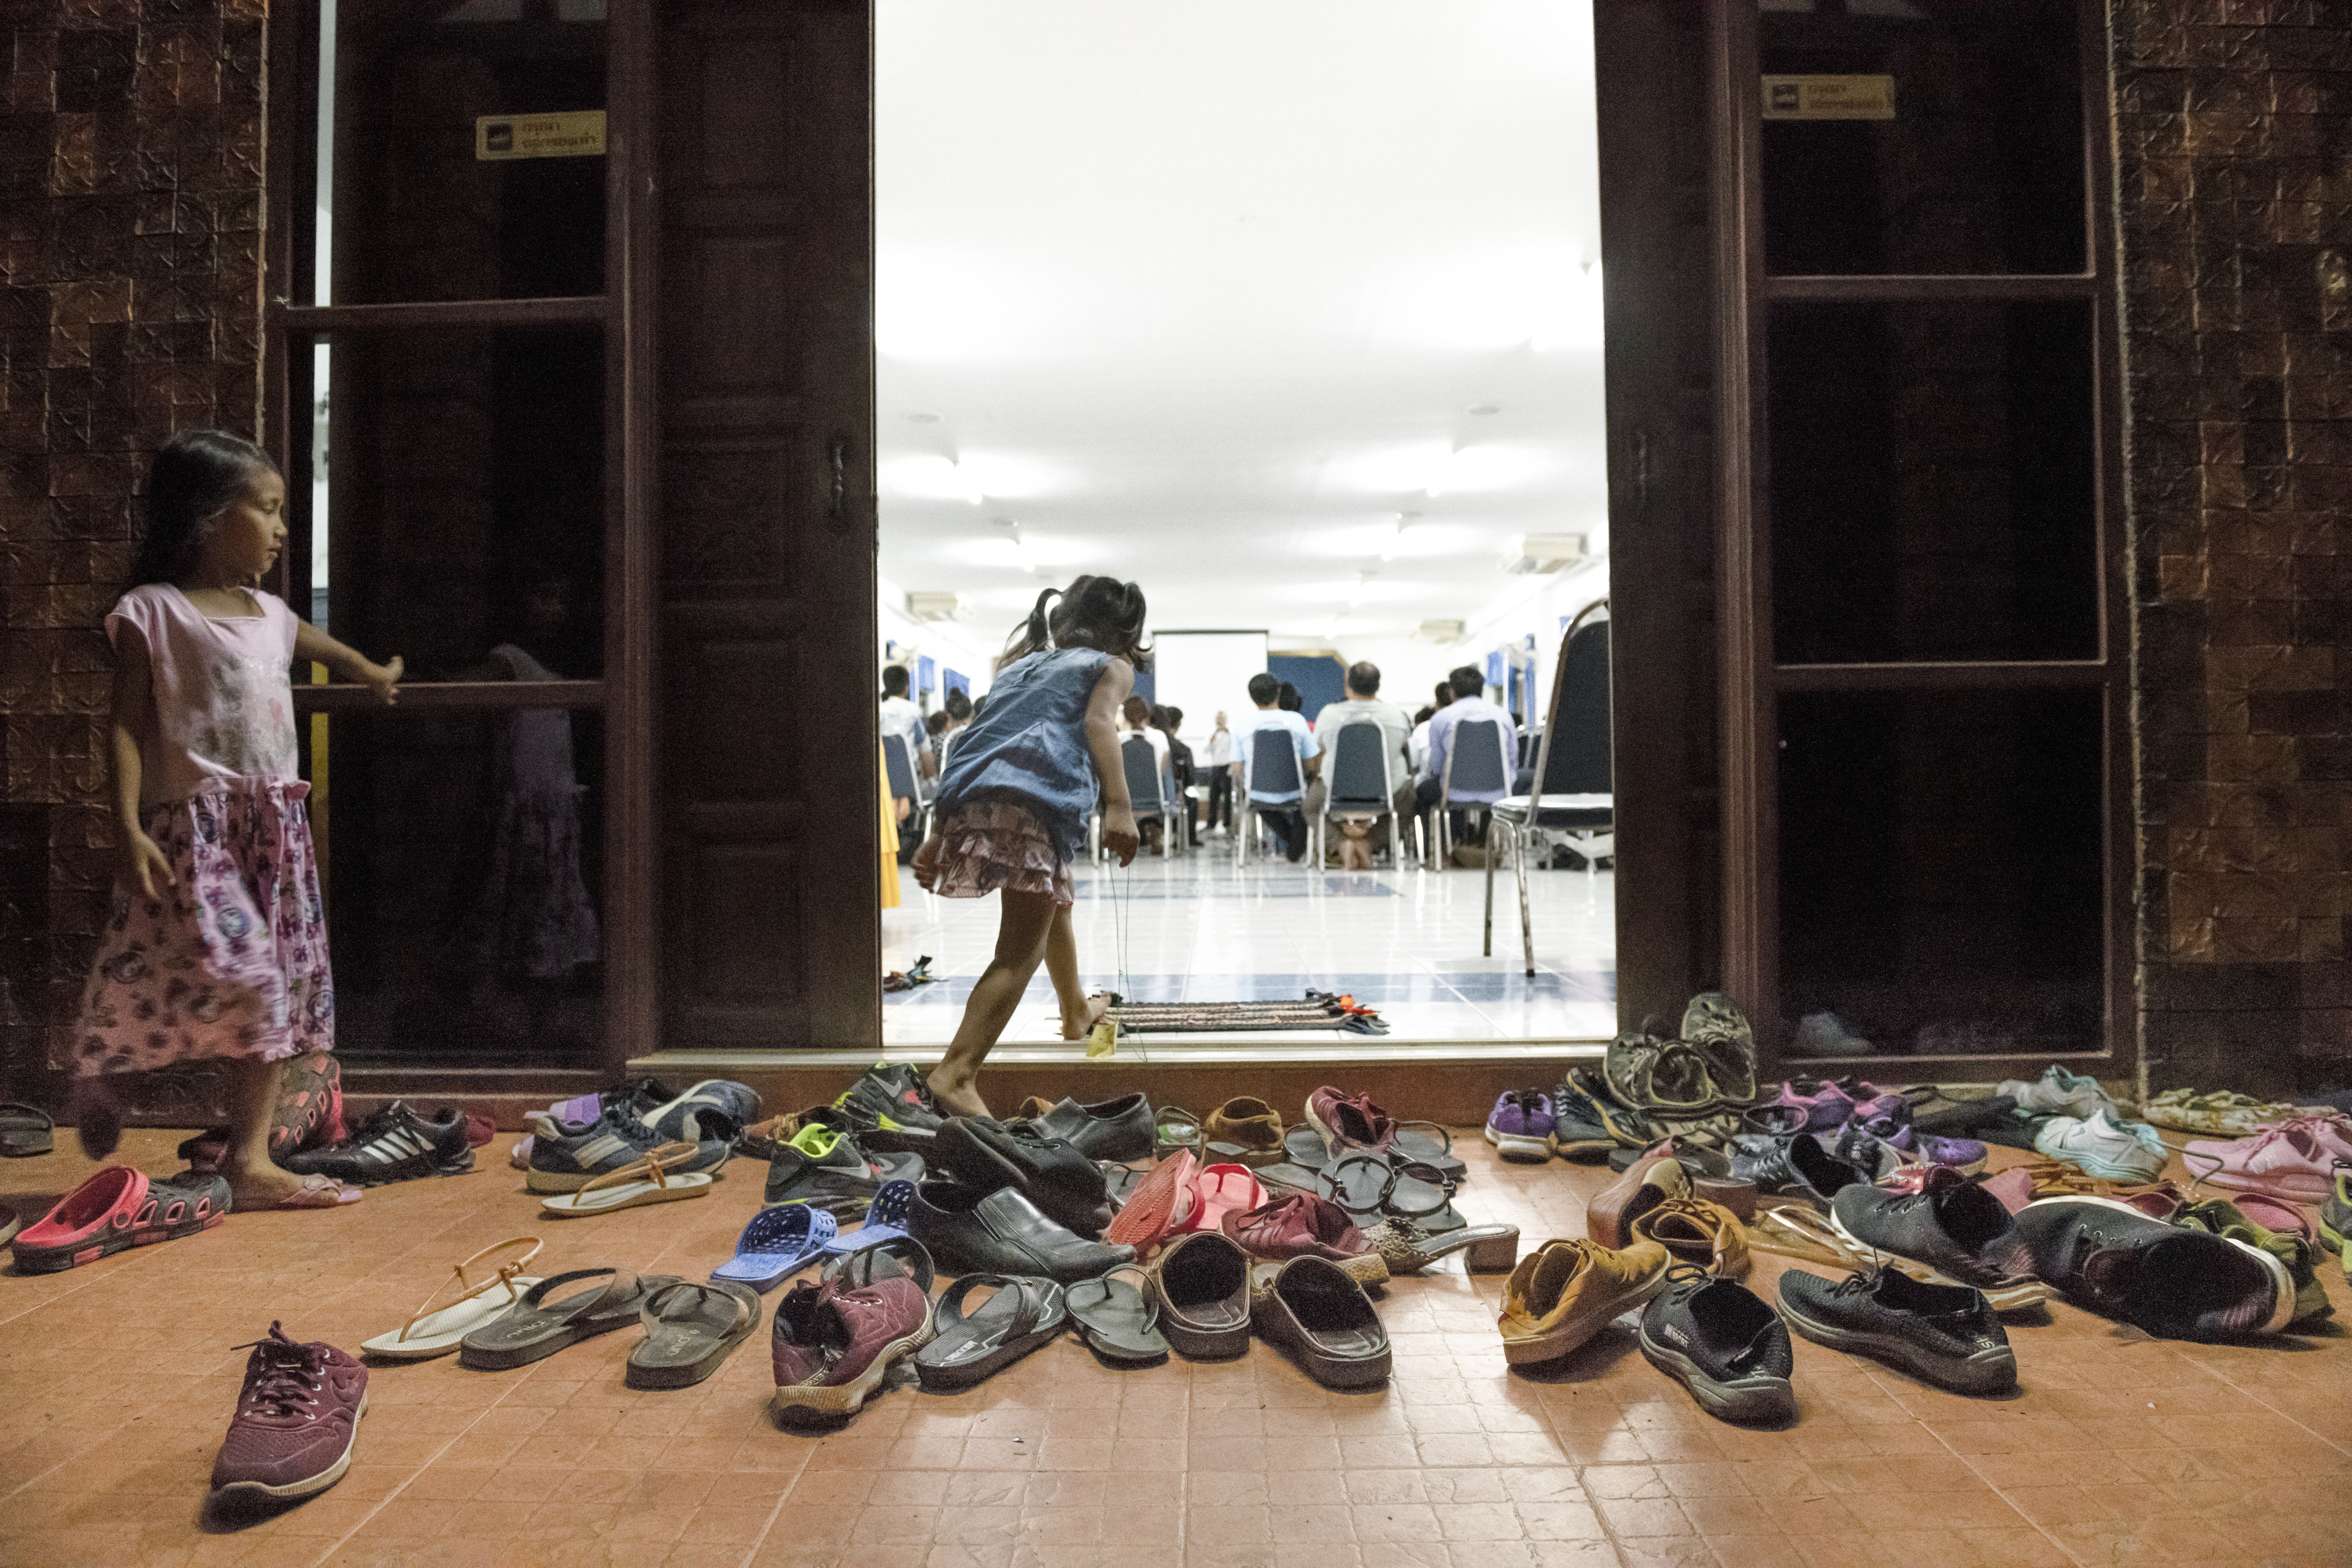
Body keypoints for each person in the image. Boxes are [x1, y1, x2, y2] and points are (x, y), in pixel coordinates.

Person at [71, 430, 404, 1210]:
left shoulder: (268, 612)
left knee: (214, 976)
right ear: (207, 518)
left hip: (275, 835)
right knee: (246, 981)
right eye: (269, 509)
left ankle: (224, 1146)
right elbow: (123, 726)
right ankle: (135, 1088)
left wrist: (368, 672)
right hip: (198, 833)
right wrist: (125, 824)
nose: (283, 528)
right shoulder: (151, 613)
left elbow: (317, 644)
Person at [913, 576, 1146, 1117]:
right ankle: (957, 1072)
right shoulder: (1110, 667)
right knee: (1018, 952)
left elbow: (971, 740)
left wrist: (938, 829)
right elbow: (1099, 723)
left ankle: (1075, 1012)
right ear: (1123, 634)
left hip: (976, 796)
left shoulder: (1016, 667)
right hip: (1033, 804)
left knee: (1051, 901)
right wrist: (1120, 805)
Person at [1303, 661, 1415, 864]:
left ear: (1348, 685)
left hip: (1336, 793)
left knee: (1311, 807)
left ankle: (1341, 845)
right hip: (1387, 792)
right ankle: (1369, 845)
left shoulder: (1329, 714)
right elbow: (1404, 748)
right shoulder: (1397, 716)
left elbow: (1318, 753)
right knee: (1408, 803)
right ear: (1378, 687)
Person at [1418, 662, 1520, 857]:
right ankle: (1498, 848)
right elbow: (1513, 759)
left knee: (1423, 792)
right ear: (1481, 690)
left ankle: (1438, 855)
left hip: (1454, 791)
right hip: (1499, 791)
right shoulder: (1503, 716)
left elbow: (1437, 766)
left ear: (1452, 692)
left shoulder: (1441, 718)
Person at [1236, 671, 1316, 861]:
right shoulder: (1297, 721)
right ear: (1278, 694)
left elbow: (1238, 770)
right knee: (1306, 803)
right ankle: (1298, 847)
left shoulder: (1243, 725)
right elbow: (1311, 764)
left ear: (1252, 697)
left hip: (1258, 793)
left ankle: (1295, 847)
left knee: (1262, 803)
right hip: (1295, 791)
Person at [878, 665, 932, 822]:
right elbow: (925, 750)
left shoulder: (879, 711)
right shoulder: (914, 712)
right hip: (910, 781)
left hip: (883, 780)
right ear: (906, 687)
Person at [1119, 694, 1170, 852]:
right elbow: (1161, 773)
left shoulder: (1118, 740)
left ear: (1126, 717)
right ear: (1147, 715)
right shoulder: (1160, 737)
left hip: (1124, 802)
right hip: (1154, 800)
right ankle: (1155, 833)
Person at [1156, 704, 1200, 846]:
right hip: (1174, 795)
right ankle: (1190, 838)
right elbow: (1190, 780)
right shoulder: (1183, 750)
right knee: (1192, 798)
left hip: (1143, 795)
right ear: (1179, 724)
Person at [1202, 710, 1234, 835]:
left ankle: (1228, 823)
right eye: (1219, 718)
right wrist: (1213, 738)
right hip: (1216, 767)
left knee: (1227, 798)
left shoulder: (1231, 733)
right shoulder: (1212, 734)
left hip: (1227, 767)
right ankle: (1212, 823)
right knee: (1213, 796)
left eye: (1223, 718)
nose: (1221, 721)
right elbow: (1206, 750)